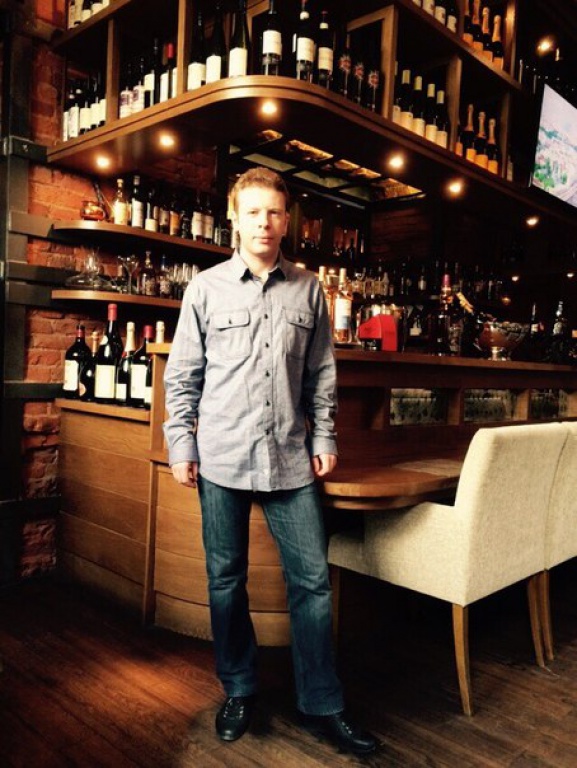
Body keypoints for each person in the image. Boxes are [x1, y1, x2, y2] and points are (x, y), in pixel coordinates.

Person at [163, 167, 376, 756]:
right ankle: (238, 689)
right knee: (225, 580)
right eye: (253, 212)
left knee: (312, 584)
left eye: (274, 212)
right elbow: (182, 377)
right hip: (222, 458)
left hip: (289, 458)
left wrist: (324, 436)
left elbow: (321, 373)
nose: (264, 222)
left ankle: (322, 703)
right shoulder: (204, 289)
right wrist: (181, 444)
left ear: (287, 221)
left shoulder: (309, 289)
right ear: (234, 219)